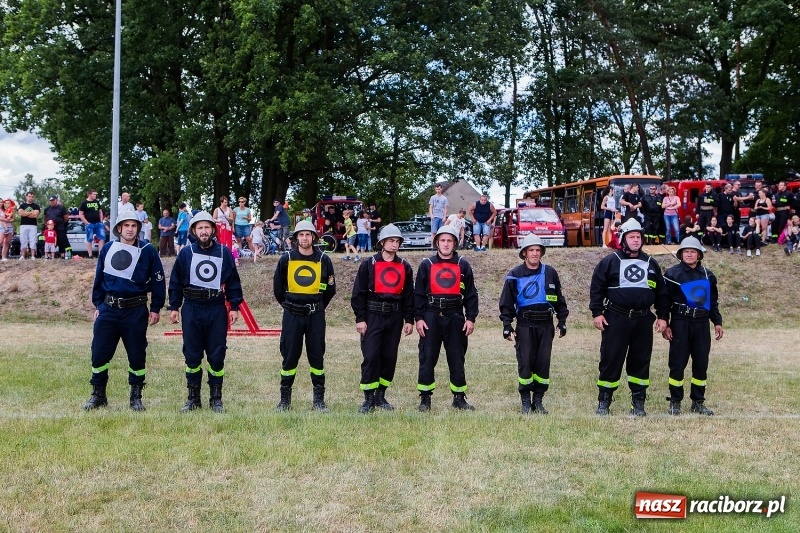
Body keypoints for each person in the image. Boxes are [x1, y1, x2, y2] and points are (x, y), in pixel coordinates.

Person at [83, 211, 166, 411]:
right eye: (126, 225)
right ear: (119, 228)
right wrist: (98, 305)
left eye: (133, 225)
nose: (130, 229)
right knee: (99, 353)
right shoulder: (109, 248)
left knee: (137, 354)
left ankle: (135, 397)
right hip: (109, 310)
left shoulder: (147, 250)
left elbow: (158, 280)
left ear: (138, 228)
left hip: (136, 310)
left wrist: (155, 307)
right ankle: (98, 395)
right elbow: (99, 278)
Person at [589, 218, 669, 416]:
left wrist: (662, 316)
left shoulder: (651, 263)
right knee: (611, 359)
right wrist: (597, 313)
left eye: (638, 237)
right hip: (616, 318)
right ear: (623, 239)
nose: (635, 240)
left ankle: (638, 403)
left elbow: (662, 293)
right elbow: (597, 288)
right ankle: (604, 402)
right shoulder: (610, 262)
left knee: (640, 360)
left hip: (643, 320)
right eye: (631, 237)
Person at [168, 211, 243, 413]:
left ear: (213, 230)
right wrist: (174, 306)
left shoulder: (223, 253)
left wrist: (234, 306)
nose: (203, 231)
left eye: (207, 227)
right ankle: (193, 399)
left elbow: (233, 281)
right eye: (200, 228)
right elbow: (175, 281)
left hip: (215, 307)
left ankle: (216, 399)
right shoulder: (186, 253)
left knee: (217, 354)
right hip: (192, 307)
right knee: (192, 355)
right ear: (193, 231)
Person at [499, 234, 569, 414]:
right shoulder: (514, 275)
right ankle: (525, 401)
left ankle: (538, 400)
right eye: (531, 250)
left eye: (538, 250)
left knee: (543, 363)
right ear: (524, 253)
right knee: (525, 363)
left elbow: (559, 300)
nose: (535, 253)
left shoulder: (550, 272)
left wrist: (562, 321)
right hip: (525, 325)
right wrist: (507, 325)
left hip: (546, 325)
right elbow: (506, 303)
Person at [273, 220, 337, 412]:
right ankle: (285, 400)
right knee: (289, 356)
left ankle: (319, 400)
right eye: (301, 235)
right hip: (292, 314)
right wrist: (290, 305)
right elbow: (278, 287)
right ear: (296, 238)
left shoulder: (324, 259)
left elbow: (330, 289)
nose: (304, 238)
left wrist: (316, 306)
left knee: (317, 356)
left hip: (315, 315)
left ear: (314, 237)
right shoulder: (287, 259)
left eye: (308, 234)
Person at [414, 225, 479, 411]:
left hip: (456, 316)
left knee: (457, 357)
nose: (446, 244)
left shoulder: (463, 265)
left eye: (449, 240)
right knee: (427, 357)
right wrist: (419, 318)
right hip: (431, 316)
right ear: (437, 242)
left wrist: (471, 318)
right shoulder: (427, 264)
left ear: (455, 243)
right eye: (442, 240)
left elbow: (471, 294)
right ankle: (425, 399)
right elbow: (418, 294)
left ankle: (459, 398)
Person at [350, 224, 414, 413]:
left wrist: (408, 319)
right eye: (391, 241)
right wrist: (360, 319)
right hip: (372, 315)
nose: (394, 245)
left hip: (394, 316)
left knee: (389, 357)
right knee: (371, 356)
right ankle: (369, 398)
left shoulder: (405, 266)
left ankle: (381, 395)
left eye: (397, 241)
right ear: (382, 243)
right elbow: (358, 294)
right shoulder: (368, 264)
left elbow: (409, 295)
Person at [663, 236, 723, 416]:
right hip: (681, 322)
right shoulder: (672, 274)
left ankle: (698, 401)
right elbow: (664, 302)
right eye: (686, 251)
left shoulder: (708, 275)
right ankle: (675, 401)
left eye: (693, 251)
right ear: (681, 254)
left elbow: (712, 301)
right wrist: (665, 322)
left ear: (699, 255)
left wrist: (717, 322)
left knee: (701, 364)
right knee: (677, 363)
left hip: (702, 324)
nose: (689, 254)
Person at [79, 190, 105, 259]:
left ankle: (100, 254)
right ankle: (90, 254)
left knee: (102, 237)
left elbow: (100, 211)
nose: (95, 196)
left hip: (98, 223)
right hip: (89, 223)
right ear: (89, 194)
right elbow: (81, 214)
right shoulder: (84, 203)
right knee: (89, 238)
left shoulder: (96, 202)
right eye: (94, 194)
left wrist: (101, 221)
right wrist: (87, 222)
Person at [17, 191, 40, 260]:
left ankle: (33, 256)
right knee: (23, 240)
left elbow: (35, 215)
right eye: (29, 196)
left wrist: (25, 213)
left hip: (33, 225)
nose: (31, 198)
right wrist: (31, 212)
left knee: (33, 240)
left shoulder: (36, 206)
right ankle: (22, 256)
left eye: (32, 197)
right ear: (26, 197)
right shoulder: (22, 205)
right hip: (23, 225)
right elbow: (21, 214)